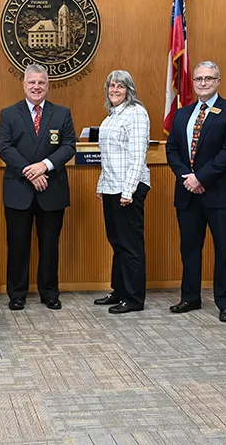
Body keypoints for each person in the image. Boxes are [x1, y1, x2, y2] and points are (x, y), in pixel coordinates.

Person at [166, 61, 226, 323]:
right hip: (188, 193)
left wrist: (201, 177)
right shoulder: (181, 114)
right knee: (189, 249)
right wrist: (188, 178)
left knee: (225, 250)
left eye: (208, 79)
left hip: (222, 193)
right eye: (199, 79)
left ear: (218, 81)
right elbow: (172, 150)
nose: (203, 83)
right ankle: (190, 297)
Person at [0, 64, 76, 311]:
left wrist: (44, 166)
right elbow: (5, 148)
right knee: (18, 244)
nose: (36, 87)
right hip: (19, 190)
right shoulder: (8, 114)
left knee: (50, 244)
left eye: (41, 83)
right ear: (24, 84)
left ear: (47, 85)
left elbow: (69, 146)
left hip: (52, 190)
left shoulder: (62, 113)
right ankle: (17, 294)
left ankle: (50, 292)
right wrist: (30, 172)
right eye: (32, 82)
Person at [94, 70, 151, 314]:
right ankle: (119, 291)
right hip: (111, 187)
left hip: (129, 188)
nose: (115, 90)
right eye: (112, 86)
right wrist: (101, 186)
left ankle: (134, 298)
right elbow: (108, 158)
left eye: (120, 86)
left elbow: (138, 156)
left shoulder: (136, 113)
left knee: (130, 245)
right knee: (117, 242)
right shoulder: (111, 116)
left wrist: (128, 191)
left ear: (129, 90)